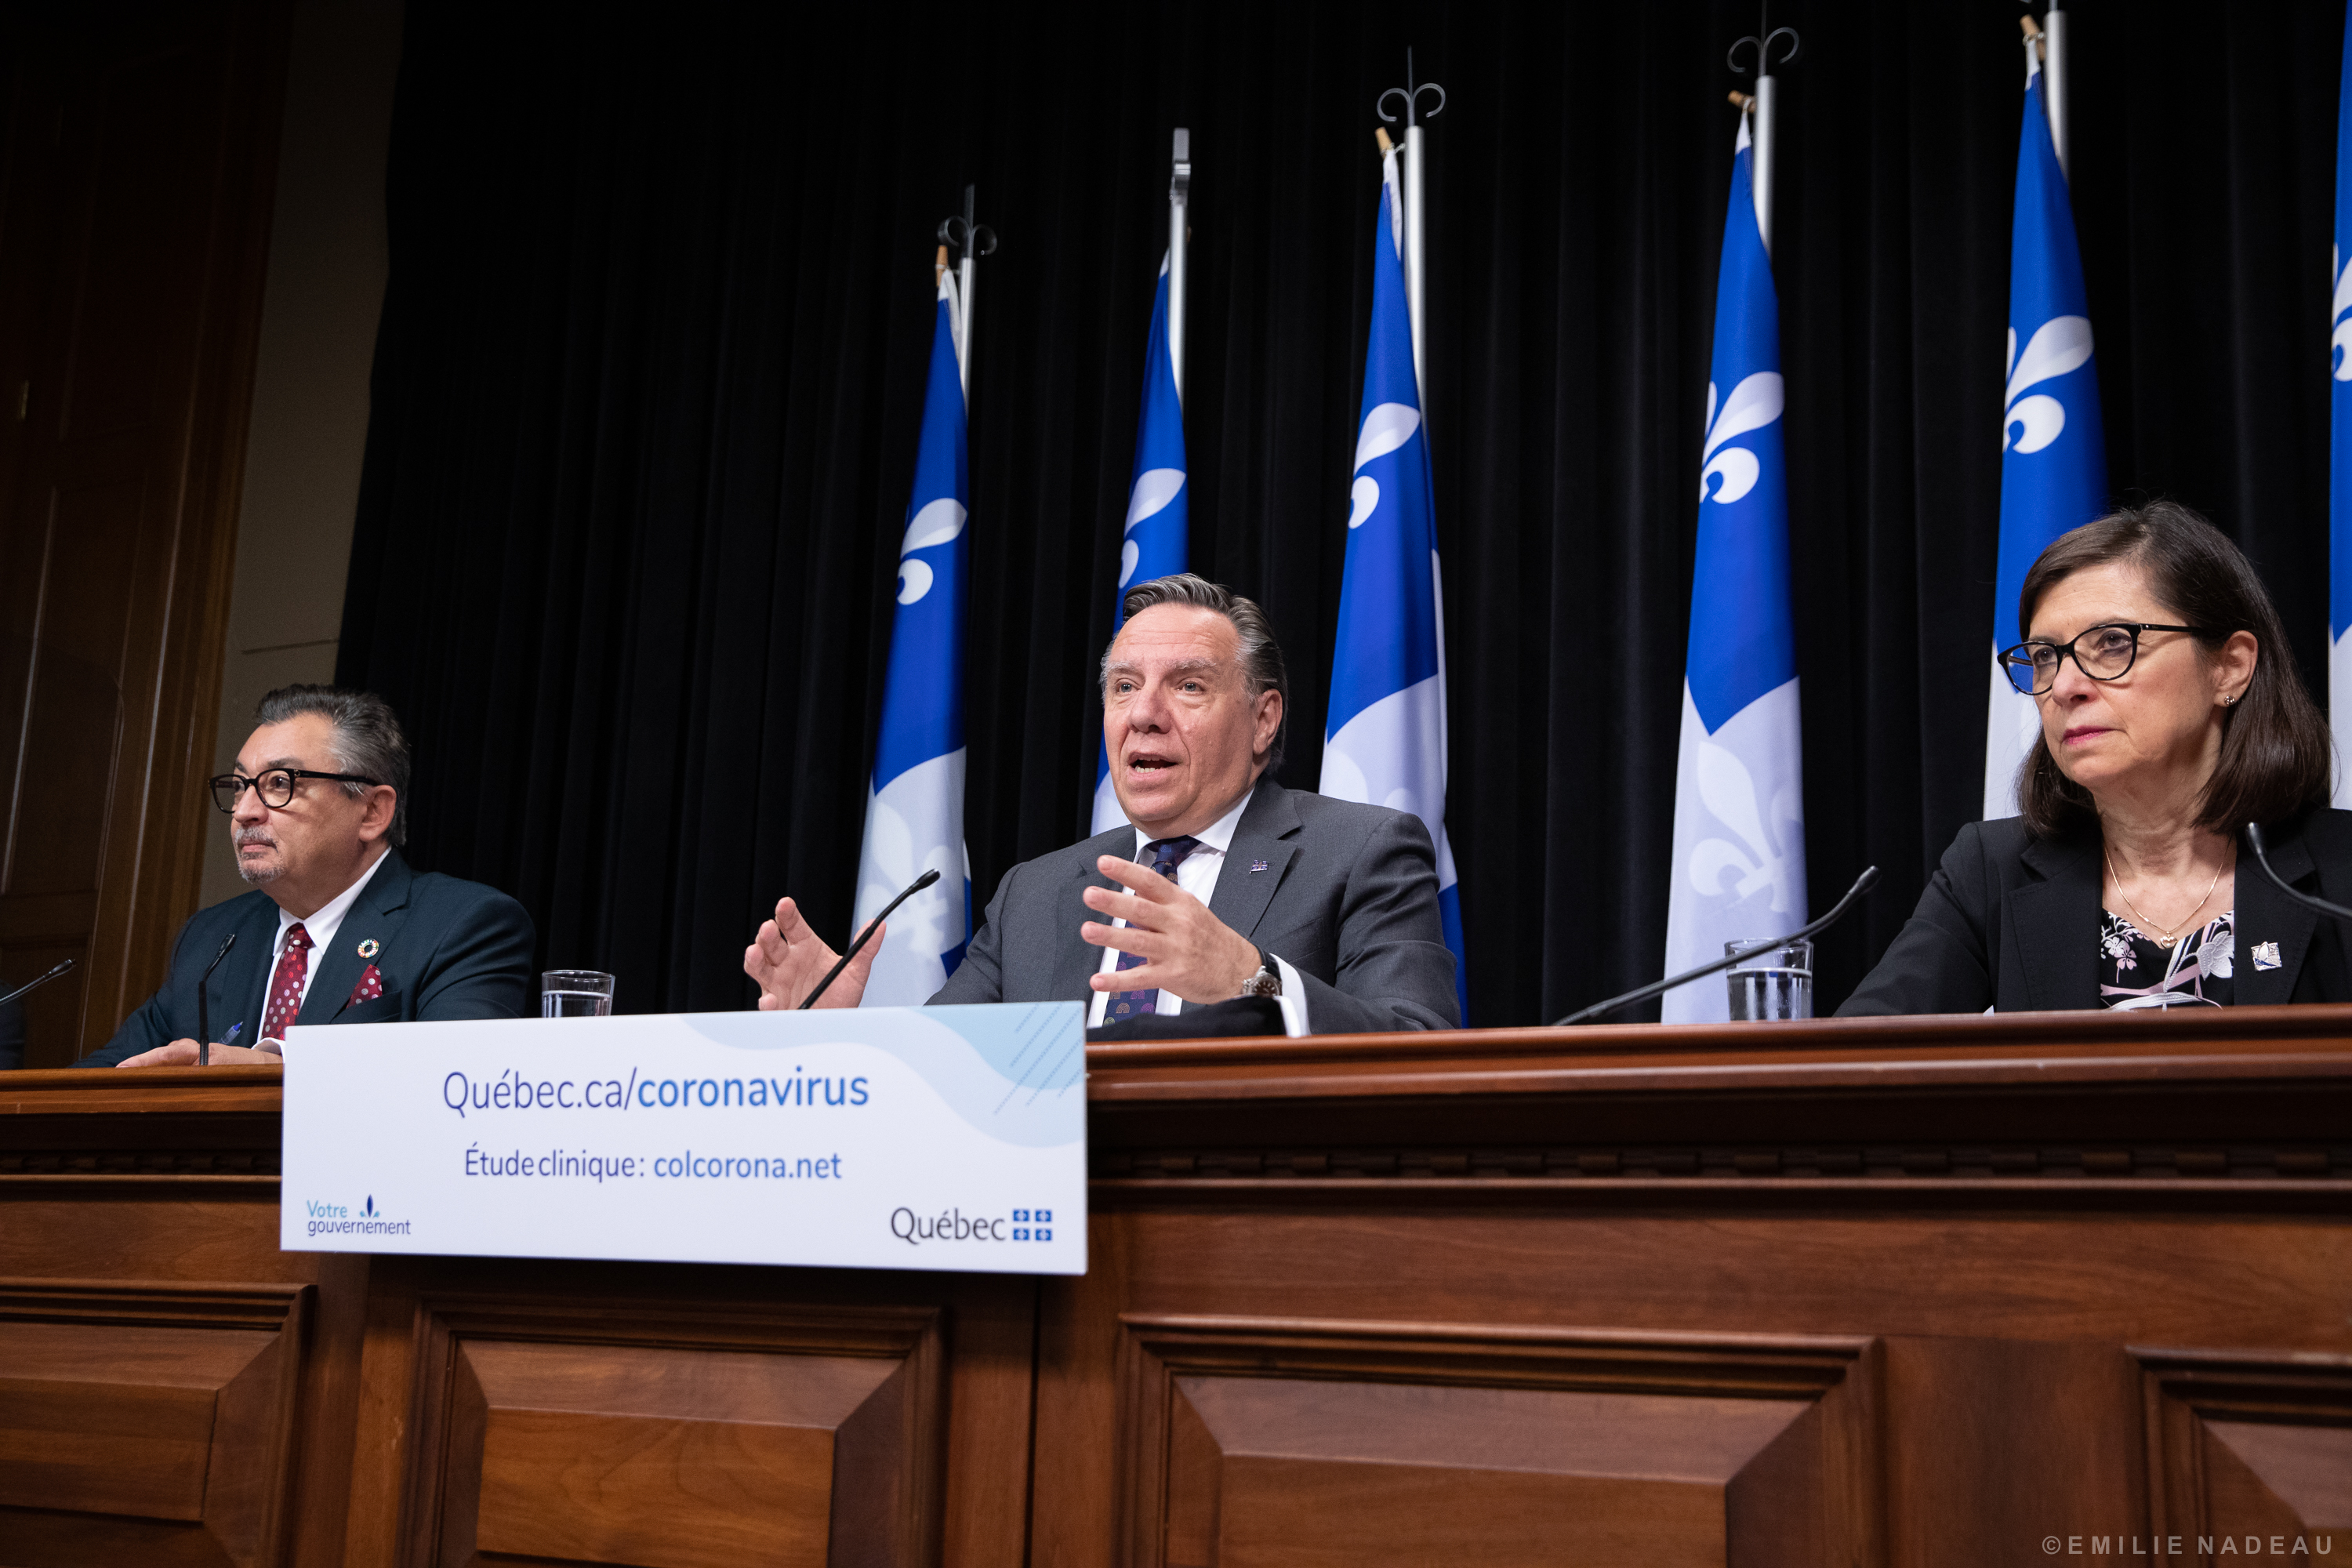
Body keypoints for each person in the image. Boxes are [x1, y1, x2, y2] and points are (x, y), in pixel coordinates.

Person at [745, 575, 1460, 1033]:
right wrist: (841, 1034)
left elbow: (1419, 1045)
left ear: (1263, 719)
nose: (1143, 714)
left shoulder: (1361, 851)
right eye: (1123, 687)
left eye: (1188, 686)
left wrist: (1252, 979)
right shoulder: (1034, 894)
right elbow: (951, 1076)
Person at [1842, 501, 2350, 1014]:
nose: (2064, 687)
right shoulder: (1989, 871)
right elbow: (1861, 1054)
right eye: (2045, 656)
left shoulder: (2341, 869)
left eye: (2112, 643)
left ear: (2230, 667)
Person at [80, 686, 537, 1066]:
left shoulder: (464, 925)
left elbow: (455, 1081)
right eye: (239, 786)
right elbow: (105, 1078)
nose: (244, 811)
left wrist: (278, 1068)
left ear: (372, 812)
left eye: (280, 783)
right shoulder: (212, 936)